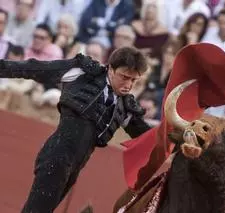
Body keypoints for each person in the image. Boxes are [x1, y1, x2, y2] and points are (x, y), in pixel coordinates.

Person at [0, 46, 151, 213]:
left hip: (75, 167)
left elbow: (150, 137)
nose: (128, 85)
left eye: (134, 80)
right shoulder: (82, 73)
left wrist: (180, 136)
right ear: (111, 68)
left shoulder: (125, 106)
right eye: (124, 77)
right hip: (57, 155)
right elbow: (34, 68)